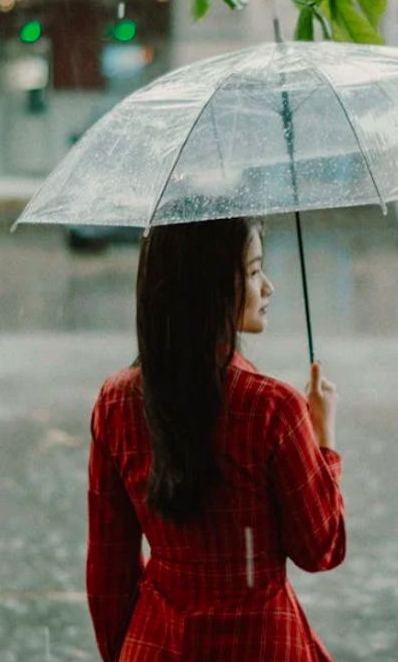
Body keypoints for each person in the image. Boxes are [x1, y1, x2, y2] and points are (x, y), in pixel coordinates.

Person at [87, 216, 345, 661]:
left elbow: (108, 571)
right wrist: (324, 439)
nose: (268, 288)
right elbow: (320, 548)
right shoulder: (273, 408)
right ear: (210, 287)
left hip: (158, 644)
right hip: (263, 644)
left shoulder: (116, 402)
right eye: (253, 271)